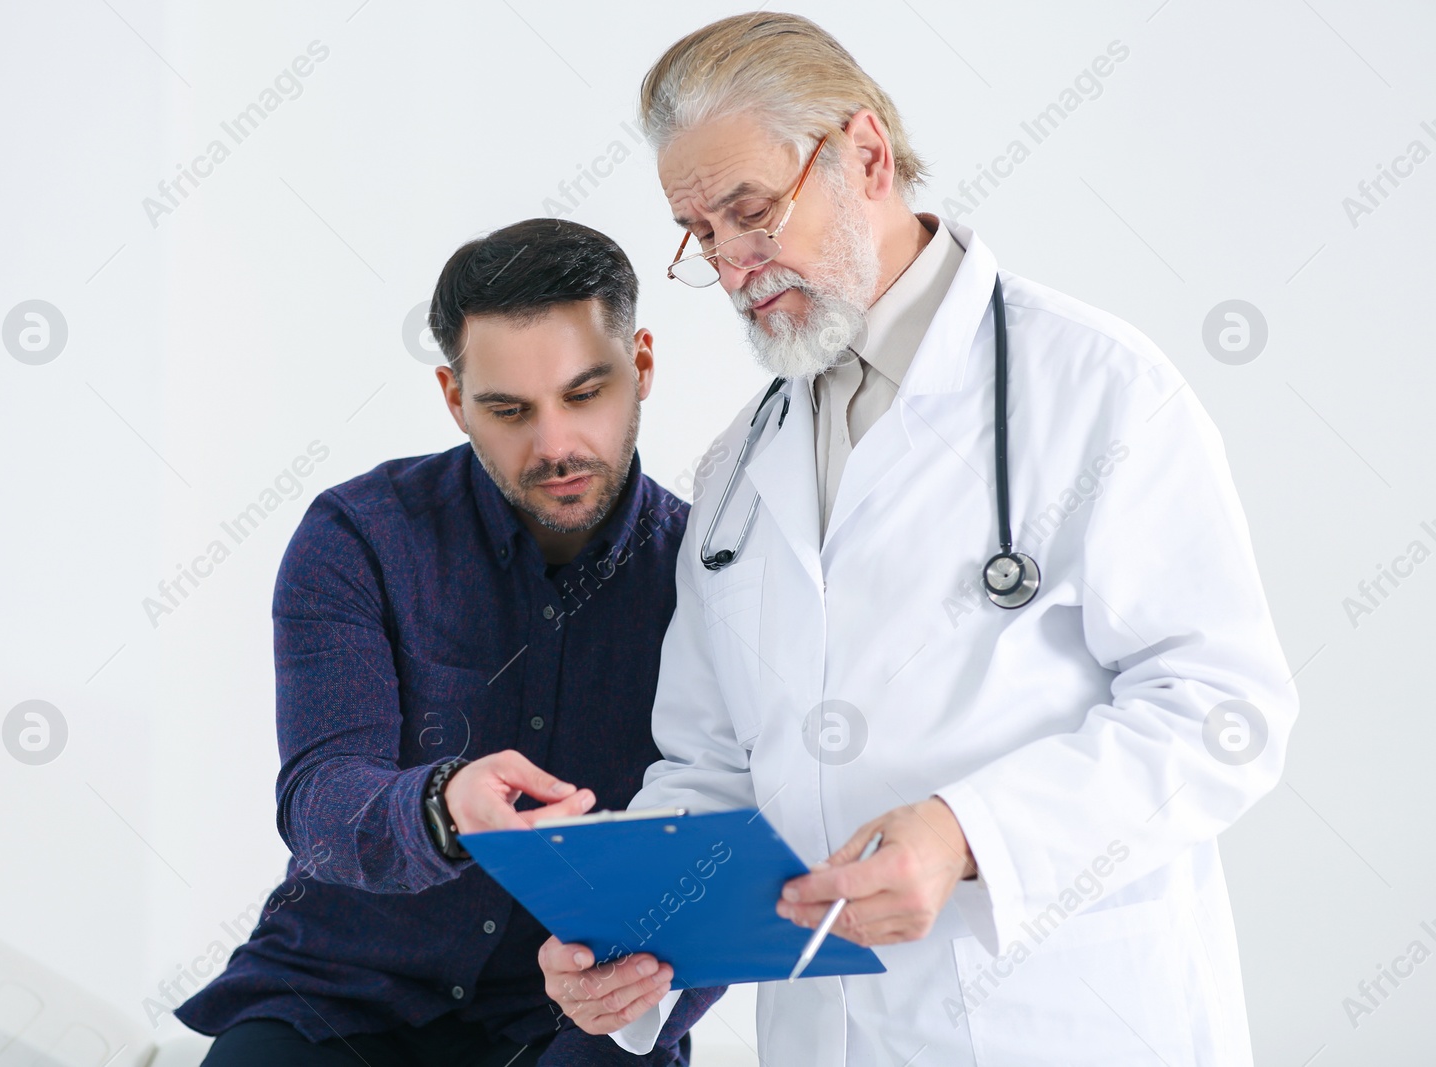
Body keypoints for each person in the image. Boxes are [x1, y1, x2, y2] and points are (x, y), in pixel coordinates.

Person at [538, 13, 1298, 1065]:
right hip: (822, 1031)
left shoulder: (1095, 390)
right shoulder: (734, 472)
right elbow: (712, 763)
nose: (732, 263)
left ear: (865, 155)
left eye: (751, 212)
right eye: (702, 236)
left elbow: (1226, 709)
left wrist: (968, 832)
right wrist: (634, 937)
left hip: (1066, 1019)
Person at [178, 218, 722, 1066]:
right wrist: (440, 808)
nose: (555, 447)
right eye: (508, 410)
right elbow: (318, 803)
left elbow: (729, 835)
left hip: (578, 1007)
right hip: (338, 990)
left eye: (585, 395)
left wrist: (649, 986)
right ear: (452, 397)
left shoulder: (715, 575)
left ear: (642, 366)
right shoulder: (359, 535)